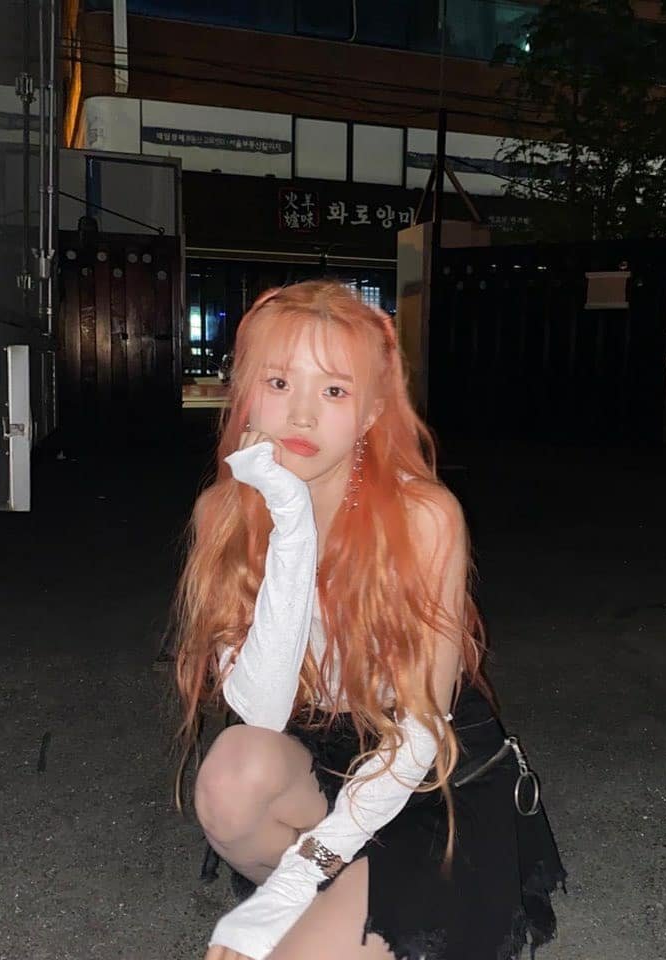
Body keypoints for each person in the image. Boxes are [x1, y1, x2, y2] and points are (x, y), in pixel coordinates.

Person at [173, 281, 565, 960]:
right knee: (232, 773)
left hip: (429, 782)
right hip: (317, 761)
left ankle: (364, 906)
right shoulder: (225, 511)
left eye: (333, 390)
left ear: (370, 412)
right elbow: (261, 711)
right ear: (245, 394)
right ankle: (348, 907)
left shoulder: (424, 515)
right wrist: (290, 524)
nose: (301, 413)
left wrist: (297, 878)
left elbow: (418, 736)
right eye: (278, 382)